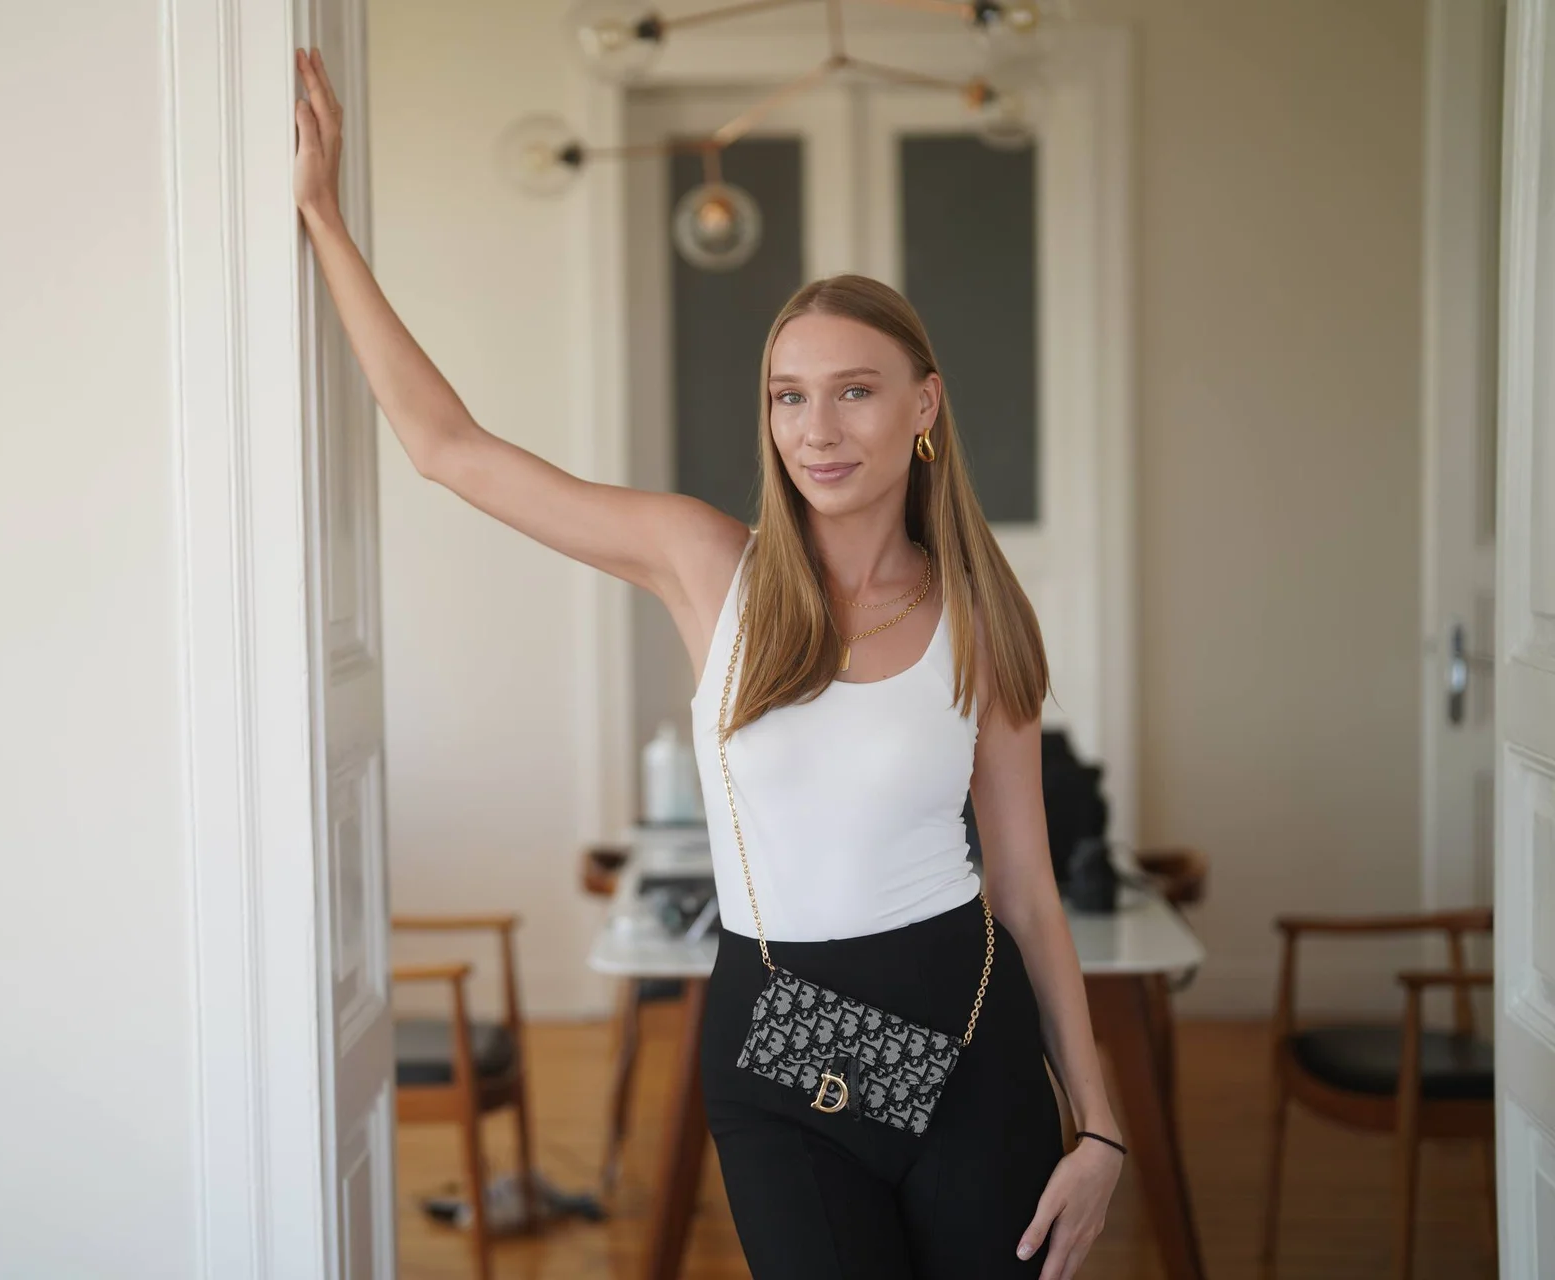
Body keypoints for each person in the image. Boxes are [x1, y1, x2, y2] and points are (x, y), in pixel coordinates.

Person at [292, 46, 1124, 1279]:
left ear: (924, 405)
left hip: (961, 1030)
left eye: (855, 391)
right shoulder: (706, 562)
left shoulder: (981, 612)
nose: (817, 429)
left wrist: (1101, 1126)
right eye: (790, 396)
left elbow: (1025, 886)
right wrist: (322, 215)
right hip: (779, 1036)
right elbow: (447, 447)